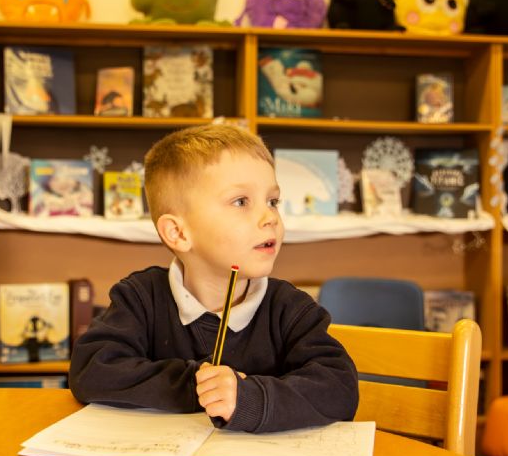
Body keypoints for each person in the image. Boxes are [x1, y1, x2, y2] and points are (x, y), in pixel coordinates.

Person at [69, 124, 358, 433]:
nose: (270, 217)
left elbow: (339, 387)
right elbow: (91, 369)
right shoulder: (140, 297)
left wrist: (249, 398)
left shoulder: (290, 308)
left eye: (272, 201)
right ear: (178, 233)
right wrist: (201, 386)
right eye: (241, 201)